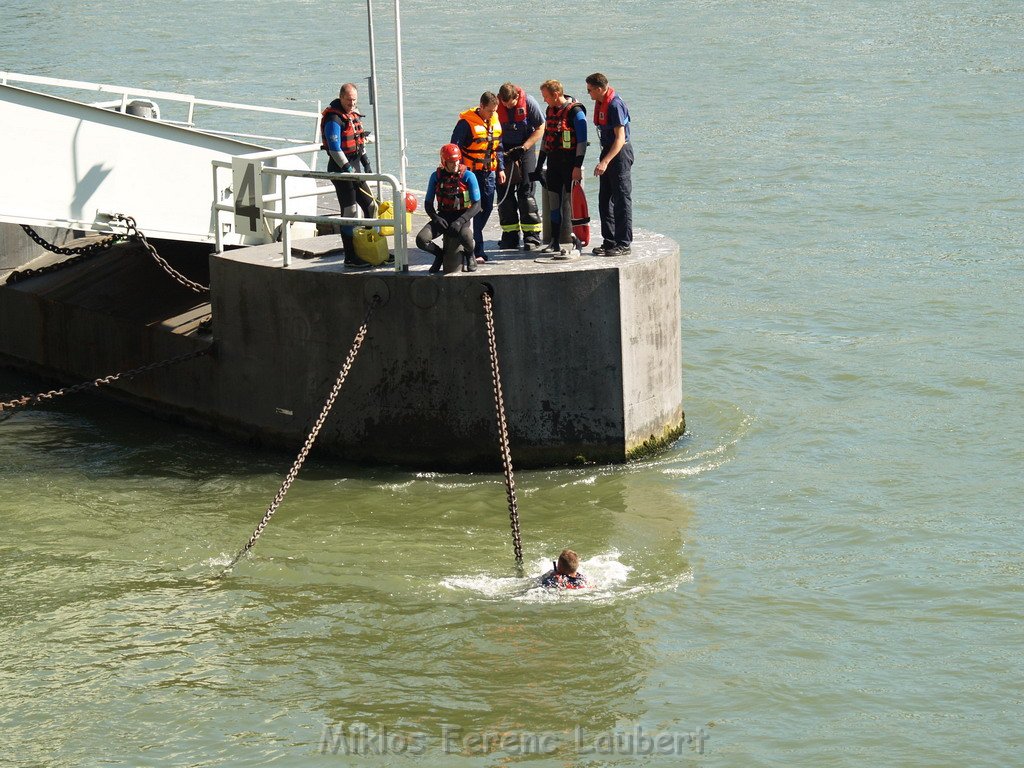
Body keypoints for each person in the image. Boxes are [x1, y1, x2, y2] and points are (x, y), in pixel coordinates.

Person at [321, 83, 376, 267]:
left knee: (370, 206)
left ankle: (369, 249)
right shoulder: (334, 119)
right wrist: (347, 168)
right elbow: (335, 148)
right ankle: (351, 256)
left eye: (354, 100)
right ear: (341, 97)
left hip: (355, 166)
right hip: (340, 170)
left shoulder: (352, 114)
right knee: (350, 212)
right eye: (348, 100)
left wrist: (366, 164)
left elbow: (360, 142)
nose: (351, 104)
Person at [531, 80, 588, 255]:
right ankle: (554, 242)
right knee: (554, 204)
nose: (545, 100)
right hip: (554, 164)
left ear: (556, 94)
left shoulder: (575, 112)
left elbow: (582, 141)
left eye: (546, 96)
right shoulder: (550, 110)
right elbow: (546, 138)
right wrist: (539, 166)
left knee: (572, 206)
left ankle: (578, 242)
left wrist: (577, 166)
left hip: (570, 164)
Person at [451, 92, 505, 263]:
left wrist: (501, 168)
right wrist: (457, 171)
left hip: (489, 173)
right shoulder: (465, 123)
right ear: (481, 106)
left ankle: (472, 240)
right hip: (471, 175)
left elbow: (498, 147)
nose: (492, 114)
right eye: (489, 111)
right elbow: (455, 147)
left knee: (487, 208)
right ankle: (476, 250)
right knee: (474, 210)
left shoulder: (494, 120)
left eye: (494, 111)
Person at [586, 73, 632, 257]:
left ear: (599, 88)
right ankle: (609, 240)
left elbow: (620, 138)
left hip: (619, 153)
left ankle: (623, 243)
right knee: (604, 199)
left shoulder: (615, 105)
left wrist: (605, 162)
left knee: (621, 199)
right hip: (607, 150)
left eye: (590, 90)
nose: (588, 93)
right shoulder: (600, 102)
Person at [495, 82, 545, 251]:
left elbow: (540, 128)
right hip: (504, 150)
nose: (508, 106)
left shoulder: (529, 103)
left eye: (511, 103)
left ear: (517, 96)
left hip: (525, 148)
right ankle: (510, 235)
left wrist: (524, 147)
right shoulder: (497, 106)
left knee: (526, 192)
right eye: (505, 103)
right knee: (504, 193)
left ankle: (532, 235)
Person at [416, 144, 482, 274]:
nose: (455, 164)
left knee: (466, 236)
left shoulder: (469, 176)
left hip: (463, 216)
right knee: (421, 239)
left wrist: (461, 220)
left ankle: (470, 254)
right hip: (444, 216)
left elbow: (477, 205)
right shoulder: (436, 177)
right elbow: (428, 203)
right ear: (444, 162)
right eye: (451, 162)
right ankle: (439, 255)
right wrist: (435, 218)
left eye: (457, 161)